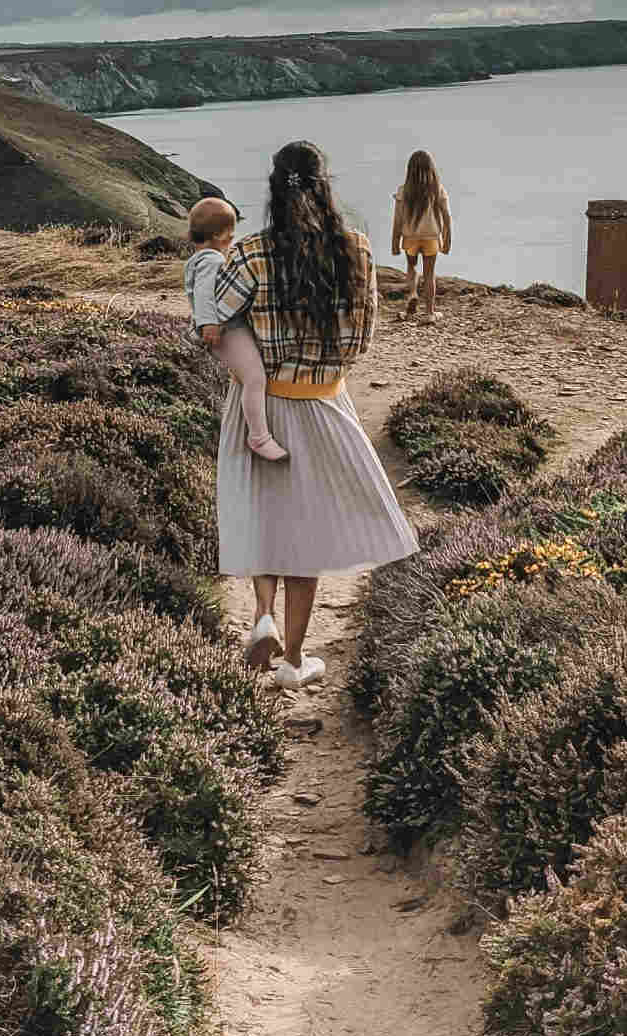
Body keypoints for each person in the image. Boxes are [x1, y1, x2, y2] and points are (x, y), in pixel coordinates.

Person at [209, 141, 418, 687]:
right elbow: (364, 340)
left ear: (274, 188)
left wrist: (252, 360)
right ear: (326, 186)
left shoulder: (251, 253)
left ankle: (261, 618)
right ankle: (293, 661)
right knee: (307, 532)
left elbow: (214, 325)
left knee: (263, 516)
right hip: (323, 401)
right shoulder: (359, 251)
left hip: (262, 402)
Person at [183, 195, 287, 460]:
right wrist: (209, 324)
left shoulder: (197, 258)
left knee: (245, 377)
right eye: (230, 236)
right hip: (226, 330)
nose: (232, 242)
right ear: (218, 235)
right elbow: (205, 294)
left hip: (226, 328)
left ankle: (249, 426)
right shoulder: (212, 260)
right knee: (255, 378)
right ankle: (259, 437)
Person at [390, 149, 452, 323]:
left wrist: (395, 242)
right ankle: (429, 313)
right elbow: (447, 218)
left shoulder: (403, 191)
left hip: (410, 237)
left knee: (412, 268)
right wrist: (447, 241)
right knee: (429, 274)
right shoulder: (437, 190)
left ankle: (412, 295)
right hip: (431, 238)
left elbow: (398, 220)